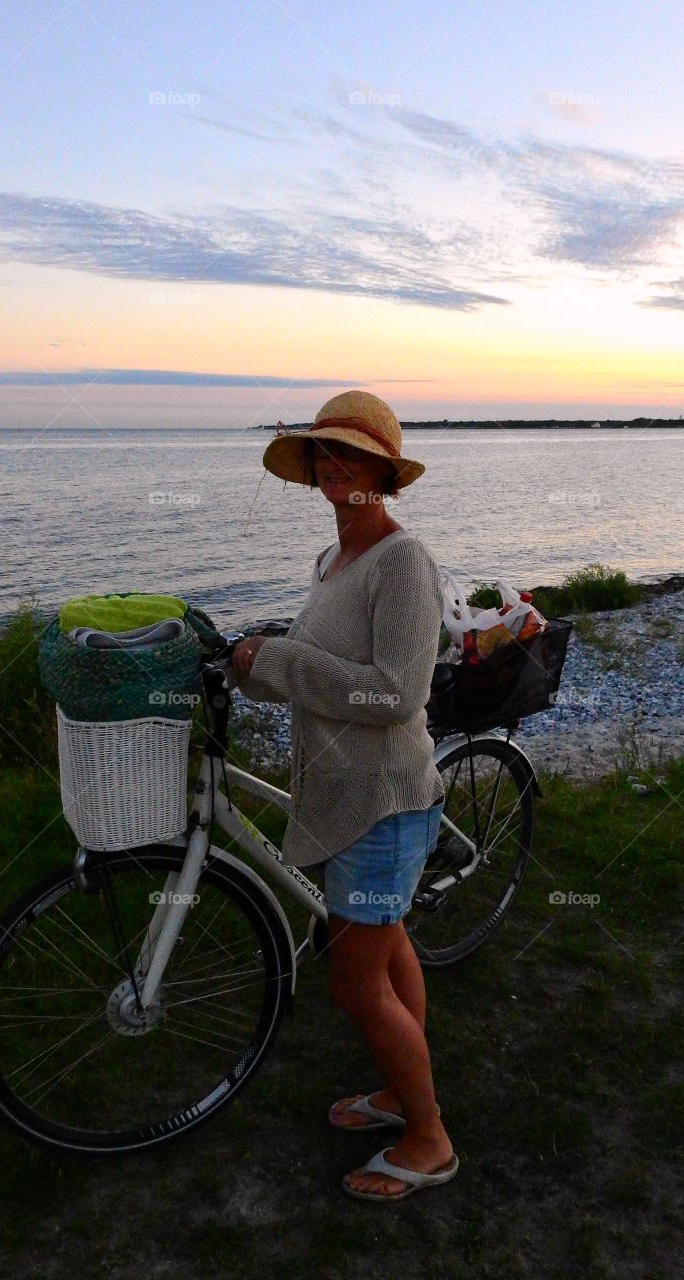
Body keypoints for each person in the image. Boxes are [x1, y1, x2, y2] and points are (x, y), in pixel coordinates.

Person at [231, 389, 459, 1202]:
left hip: (384, 804)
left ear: (382, 474)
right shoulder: (331, 563)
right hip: (351, 796)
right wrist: (252, 668)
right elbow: (320, 677)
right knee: (390, 951)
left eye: (350, 456)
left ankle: (429, 1140)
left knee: (356, 981)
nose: (333, 466)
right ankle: (403, 1095)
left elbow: (393, 695)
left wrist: (283, 661)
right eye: (323, 453)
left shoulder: (404, 562)